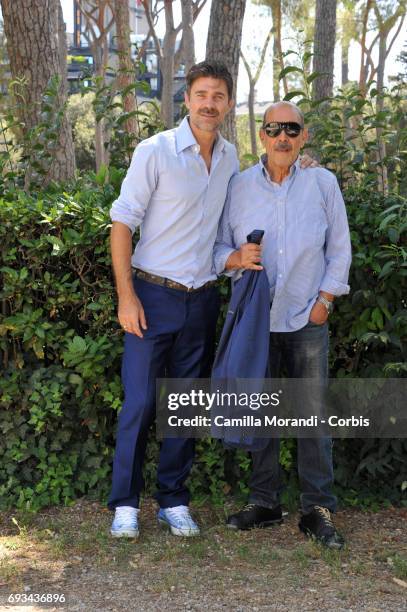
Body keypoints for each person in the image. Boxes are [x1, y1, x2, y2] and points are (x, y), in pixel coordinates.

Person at [214, 101, 352, 549]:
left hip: (307, 317)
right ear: (262, 136)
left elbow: (340, 248)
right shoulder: (238, 187)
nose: (282, 137)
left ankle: (317, 507)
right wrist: (234, 258)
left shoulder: (322, 182)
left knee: (312, 416)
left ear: (303, 137)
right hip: (256, 321)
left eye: (292, 129)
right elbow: (217, 247)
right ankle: (265, 502)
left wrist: (325, 301)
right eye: (274, 129)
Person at [108, 61, 237, 538]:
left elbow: (220, 236)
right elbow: (122, 224)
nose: (209, 103)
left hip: (201, 300)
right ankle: (124, 504)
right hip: (151, 296)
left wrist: (233, 259)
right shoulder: (156, 150)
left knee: (185, 405)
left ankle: (173, 500)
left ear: (227, 103)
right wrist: (127, 296)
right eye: (201, 94)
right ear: (187, 100)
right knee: (140, 403)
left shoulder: (229, 159)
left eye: (218, 96)